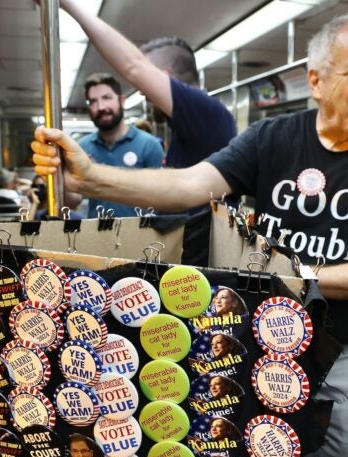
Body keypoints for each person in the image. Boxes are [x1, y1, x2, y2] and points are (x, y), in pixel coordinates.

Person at [32, 8, 348, 457]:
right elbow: (188, 185)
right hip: (266, 351)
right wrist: (91, 178)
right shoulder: (274, 139)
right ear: (316, 80)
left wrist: (287, 278)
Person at [57, 0, 237, 266]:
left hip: (203, 263)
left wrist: (68, 5)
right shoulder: (189, 128)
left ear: (161, 77)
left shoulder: (207, 112)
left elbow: (133, 67)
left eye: (146, 83)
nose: (141, 91)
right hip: (184, 256)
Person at [75, 72, 164, 219]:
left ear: (122, 101)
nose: (101, 107)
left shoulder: (149, 145)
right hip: (96, 237)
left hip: (140, 236)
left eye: (106, 98)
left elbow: (161, 198)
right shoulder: (82, 148)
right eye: (93, 101)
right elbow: (73, 200)